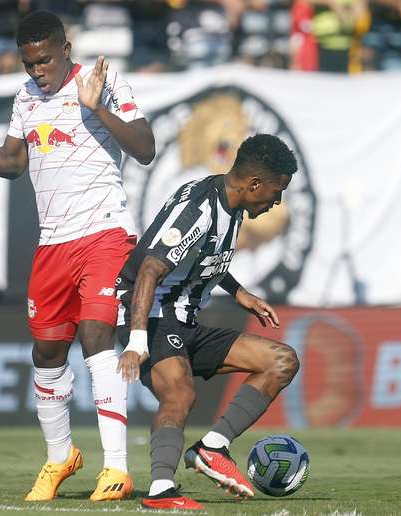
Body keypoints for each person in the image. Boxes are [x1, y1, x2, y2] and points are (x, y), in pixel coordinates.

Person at [0, 10, 155, 502]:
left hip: (104, 234)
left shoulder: (104, 81)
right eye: (28, 63)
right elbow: (14, 162)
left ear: (66, 49)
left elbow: (145, 148)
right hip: (53, 243)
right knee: (47, 352)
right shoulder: (25, 99)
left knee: (97, 337)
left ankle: (117, 469)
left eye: (45, 60)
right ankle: (60, 458)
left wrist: (97, 108)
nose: (38, 71)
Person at [115, 134, 300, 510]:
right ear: (254, 185)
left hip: (186, 321)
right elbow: (150, 270)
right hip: (150, 314)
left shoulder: (231, 206)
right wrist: (137, 342)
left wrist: (238, 292)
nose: (276, 201)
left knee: (281, 361)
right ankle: (162, 489)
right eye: (276, 192)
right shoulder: (199, 207)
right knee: (180, 393)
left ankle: (212, 447)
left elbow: (202, 257)